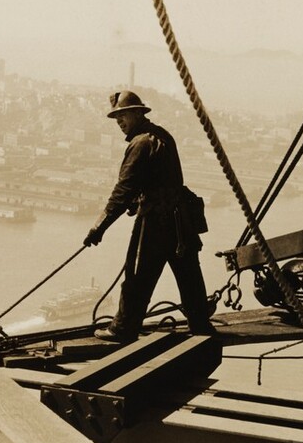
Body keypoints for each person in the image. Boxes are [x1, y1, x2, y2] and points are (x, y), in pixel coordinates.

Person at [84, 90, 215, 342]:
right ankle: (200, 325)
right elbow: (160, 181)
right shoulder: (162, 136)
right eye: (116, 118)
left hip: (156, 222)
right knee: (189, 275)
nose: (119, 122)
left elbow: (122, 191)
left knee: (137, 277)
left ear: (137, 113)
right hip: (180, 221)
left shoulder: (141, 144)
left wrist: (99, 227)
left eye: (123, 115)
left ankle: (123, 329)